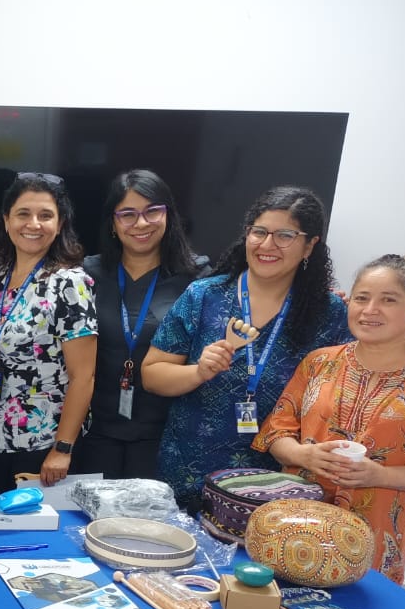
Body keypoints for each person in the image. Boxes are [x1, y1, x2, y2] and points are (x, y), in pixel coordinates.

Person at [141, 186, 351, 513]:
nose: (267, 245)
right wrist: (198, 372)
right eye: (259, 232)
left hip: (279, 482)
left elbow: (348, 393)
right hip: (189, 473)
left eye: (285, 235)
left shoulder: (330, 313)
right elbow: (152, 375)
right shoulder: (204, 295)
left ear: (310, 245)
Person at [254, 254, 405, 583]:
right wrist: (303, 454)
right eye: (361, 298)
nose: (370, 310)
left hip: (374, 534)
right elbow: (276, 432)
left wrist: (379, 474)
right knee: (284, 605)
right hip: (296, 525)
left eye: (388, 300)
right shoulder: (319, 362)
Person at [0, 173, 97, 497]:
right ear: (6, 220)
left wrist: (62, 448)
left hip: (42, 442)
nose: (33, 224)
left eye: (45, 215)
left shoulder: (70, 283)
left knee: (32, 529)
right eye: (23, 213)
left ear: (60, 223)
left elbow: (83, 376)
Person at [71, 170, 201, 479]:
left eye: (152, 211)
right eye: (128, 214)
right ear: (113, 223)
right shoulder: (85, 274)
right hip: (93, 432)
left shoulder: (197, 279)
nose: (141, 223)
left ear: (168, 215)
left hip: (164, 436)